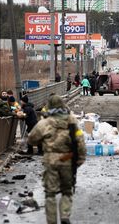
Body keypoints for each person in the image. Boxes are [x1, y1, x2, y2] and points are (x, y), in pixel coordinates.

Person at [28, 95, 86, 224]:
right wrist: (79, 160)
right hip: (67, 159)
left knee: (50, 193)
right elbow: (80, 141)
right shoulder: (72, 121)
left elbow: (31, 139)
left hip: (51, 159)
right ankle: (65, 216)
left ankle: (52, 221)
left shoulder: (45, 122)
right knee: (67, 190)